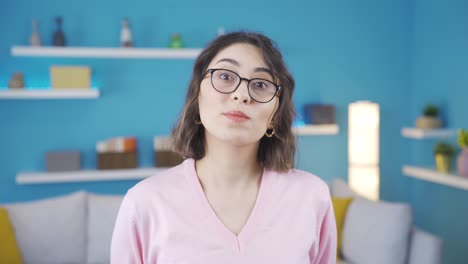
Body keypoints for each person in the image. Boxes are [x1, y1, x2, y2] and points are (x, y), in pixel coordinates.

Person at [111, 31, 337, 264]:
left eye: (260, 84)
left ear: (274, 117)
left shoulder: (312, 197)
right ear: (197, 99)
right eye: (226, 77)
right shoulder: (144, 202)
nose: (241, 95)